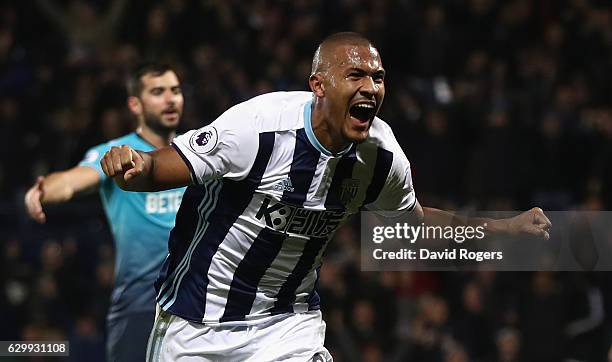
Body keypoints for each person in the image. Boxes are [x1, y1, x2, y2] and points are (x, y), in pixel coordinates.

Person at [101, 33, 551, 361]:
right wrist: (132, 166)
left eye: (377, 77)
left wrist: (505, 228)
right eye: (355, 74)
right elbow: (162, 167)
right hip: (196, 325)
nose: (370, 87)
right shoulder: (258, 127)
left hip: (287, 326)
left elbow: (415, 221)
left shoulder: (382, 157)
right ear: (319, 85)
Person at [24, 62, 186, 361]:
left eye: (175, 91)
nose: (170, 99)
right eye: (158, 92)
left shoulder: (194, 151)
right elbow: (73, 180)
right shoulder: (116, 153)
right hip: (140, 307)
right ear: (135, 104)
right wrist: (44, 189)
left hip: (196, 305)